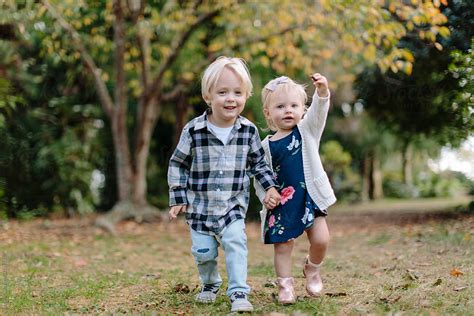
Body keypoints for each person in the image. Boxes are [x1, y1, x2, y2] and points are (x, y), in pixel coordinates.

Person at [167, 56, 281, 313]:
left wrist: (270, 188)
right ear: (208, 96)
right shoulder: (194, 130)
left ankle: (239, 291)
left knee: (235, 244)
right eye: (223, 92)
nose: (231, 98)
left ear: (246, 95)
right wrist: (178, 197)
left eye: (237, 92)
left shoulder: (248, 131)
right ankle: (210, 283)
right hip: (199, 207)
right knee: (204, 252)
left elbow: (259, 165)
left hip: (232, 207)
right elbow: (178, 163)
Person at [254, 74, 337, 304]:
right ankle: (285, 285)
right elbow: (260, 177)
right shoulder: (265, 147)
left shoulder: (307, 130)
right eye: (280, 106)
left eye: (294, 105)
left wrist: (322, 92)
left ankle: (312, 268)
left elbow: (319, 112)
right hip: (282, 202)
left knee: (321, 239)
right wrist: (266, 195)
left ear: (303, 109)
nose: (288, 110)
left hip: (309, 197)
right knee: (282, 246)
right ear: (268, 113)